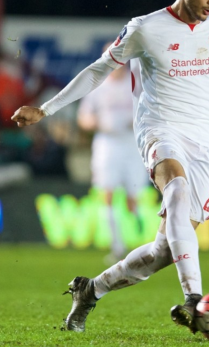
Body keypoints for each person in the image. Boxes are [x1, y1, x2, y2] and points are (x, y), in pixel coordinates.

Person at [11, 0, 209, 333]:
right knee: (175, 188)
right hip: (160, 130)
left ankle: (91, 290)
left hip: (206, 143)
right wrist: (46, 109)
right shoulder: (145, 28)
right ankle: (195, 299)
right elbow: (98, 70)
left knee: (162, 251)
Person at [76, 43, 148, 265]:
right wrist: (97, 122)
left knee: (133, 199)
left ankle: (142, 242)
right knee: (106, 194)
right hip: (107, 144)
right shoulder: (98, 86)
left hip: (132, 144)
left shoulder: (136, 82)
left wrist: (134, 121)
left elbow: (149, 111)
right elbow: (83, 118)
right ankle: (117, 246)